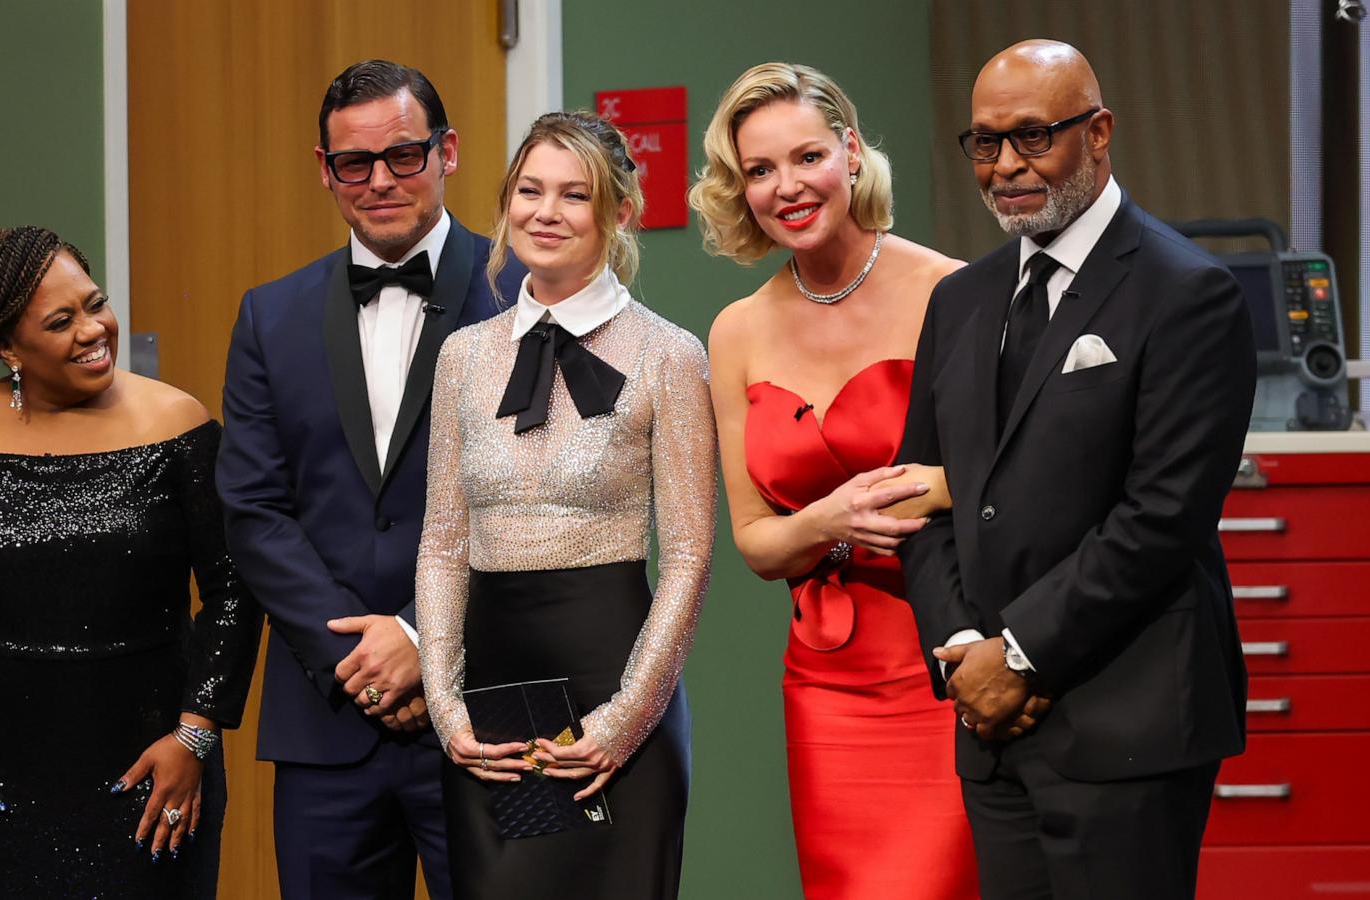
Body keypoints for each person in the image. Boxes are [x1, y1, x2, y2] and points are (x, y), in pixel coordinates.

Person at [896, 40, 1254, 900]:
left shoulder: (1187, 291)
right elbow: (923, 490)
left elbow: (1161, 517)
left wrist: (1019, 656)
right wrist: (964, 658)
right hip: (990, 726)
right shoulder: (961, 299)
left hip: (1125, 720)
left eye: (1033, 137)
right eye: (985, 142)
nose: (1007, 166)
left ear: (1099, 133)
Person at [0, 226, 262, 899]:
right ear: (8, 348)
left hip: (151, 766)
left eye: (94, 303)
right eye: (61, 320)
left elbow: (232, 586)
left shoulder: (179, 425)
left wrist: (194, 738)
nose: (93, 329)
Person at [216, 60, 522, 900]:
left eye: (404, 155)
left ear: (448, 152)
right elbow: (253, 510)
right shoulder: (268, 316)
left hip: (487, 710)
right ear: (324, 168)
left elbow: (537, 499)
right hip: (327, 720)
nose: (380, 180)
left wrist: (423, 637)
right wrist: (358, 658)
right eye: (355, 162)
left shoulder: (525, 296)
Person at [689, 62, 980, 899]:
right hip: (826, 682)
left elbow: (1002, 480)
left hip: (945, 657)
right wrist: (829, 519)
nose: (788, 186)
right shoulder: (736, 330)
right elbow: (755, 543)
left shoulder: (951, 291)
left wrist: (903, 498)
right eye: (759, 170)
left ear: (851, 154)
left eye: (807, 156)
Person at [415, 110, 716, 900]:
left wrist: (624, 719)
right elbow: (443, 545)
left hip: (618, 683)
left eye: (573, 195)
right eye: (529, 190)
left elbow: (688, 558)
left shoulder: (670, 355)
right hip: (494, 709)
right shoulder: (463, 357)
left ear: (620, 212)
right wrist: (447, 708)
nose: (544, 213)